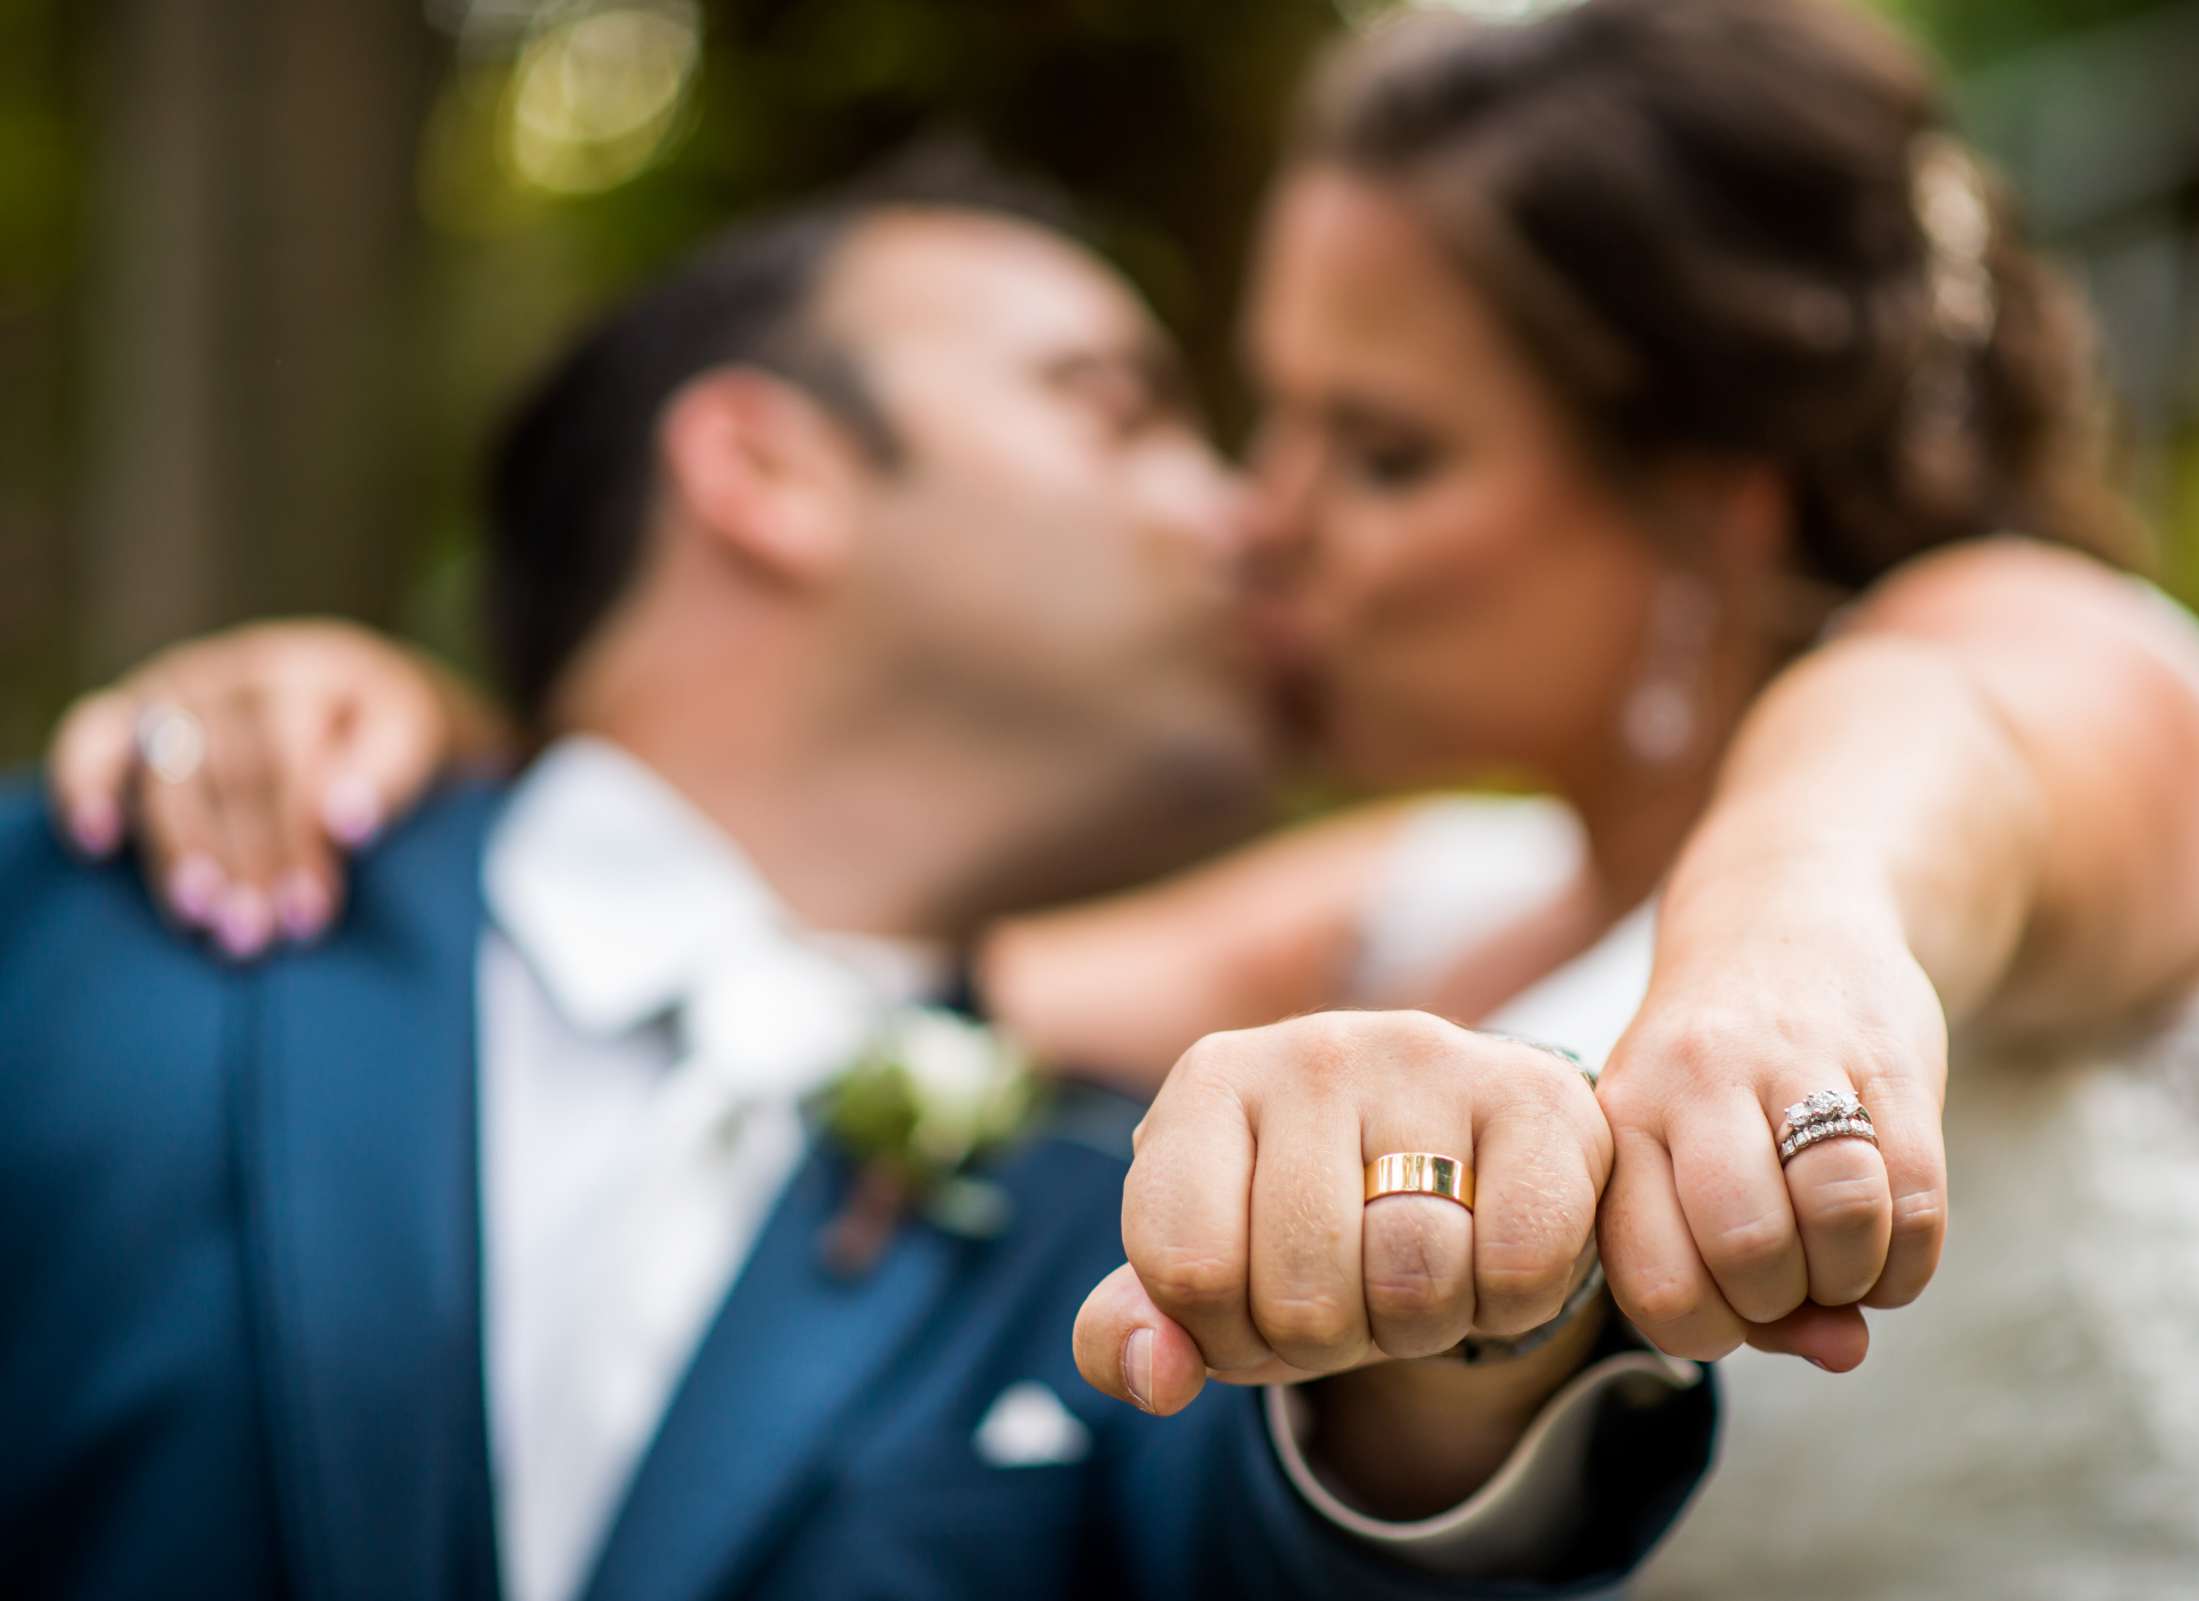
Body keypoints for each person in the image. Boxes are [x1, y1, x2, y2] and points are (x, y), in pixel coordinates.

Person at [50, 1, 2199, 1594]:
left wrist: (1785, 950)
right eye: (1247, 424)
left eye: (1382, 455)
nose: (1265, 526)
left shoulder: (2042, 669)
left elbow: (1931, 769)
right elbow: (782, 991)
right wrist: (437, 761)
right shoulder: (1417, 912)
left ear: (1710, 495)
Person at [0, 173, 1720, 1601]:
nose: (1262, 523)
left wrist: (1457, 1338)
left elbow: (1308, 1544)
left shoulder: (1143, 1215)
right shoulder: (73, 916)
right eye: (1118, 410)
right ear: (766, 472)